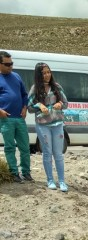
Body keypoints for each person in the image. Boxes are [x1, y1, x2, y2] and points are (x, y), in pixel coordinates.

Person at [28, 62, 69, 191]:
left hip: (57, 124)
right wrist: (39, 105)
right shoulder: (35, 89)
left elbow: (66, 103)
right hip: (43, 125)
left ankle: (62, 181)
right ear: (39, 75)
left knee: (58, 153)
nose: (47, 75)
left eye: (48, 72)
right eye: (44, 73)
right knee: (47, 152)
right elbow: (29, 107)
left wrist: (60, 104)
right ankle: (50, 180)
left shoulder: (57, 87)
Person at [0, 50, 33, 184]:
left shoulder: (17, 76)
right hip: (5, 118)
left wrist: (25, 108)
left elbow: (24, 95)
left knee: (25, 146)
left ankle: (26, 172)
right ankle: (14, 173)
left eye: (12, 63)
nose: (11, 66)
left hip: (19, 118)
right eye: (7, 64)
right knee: (10, 147)